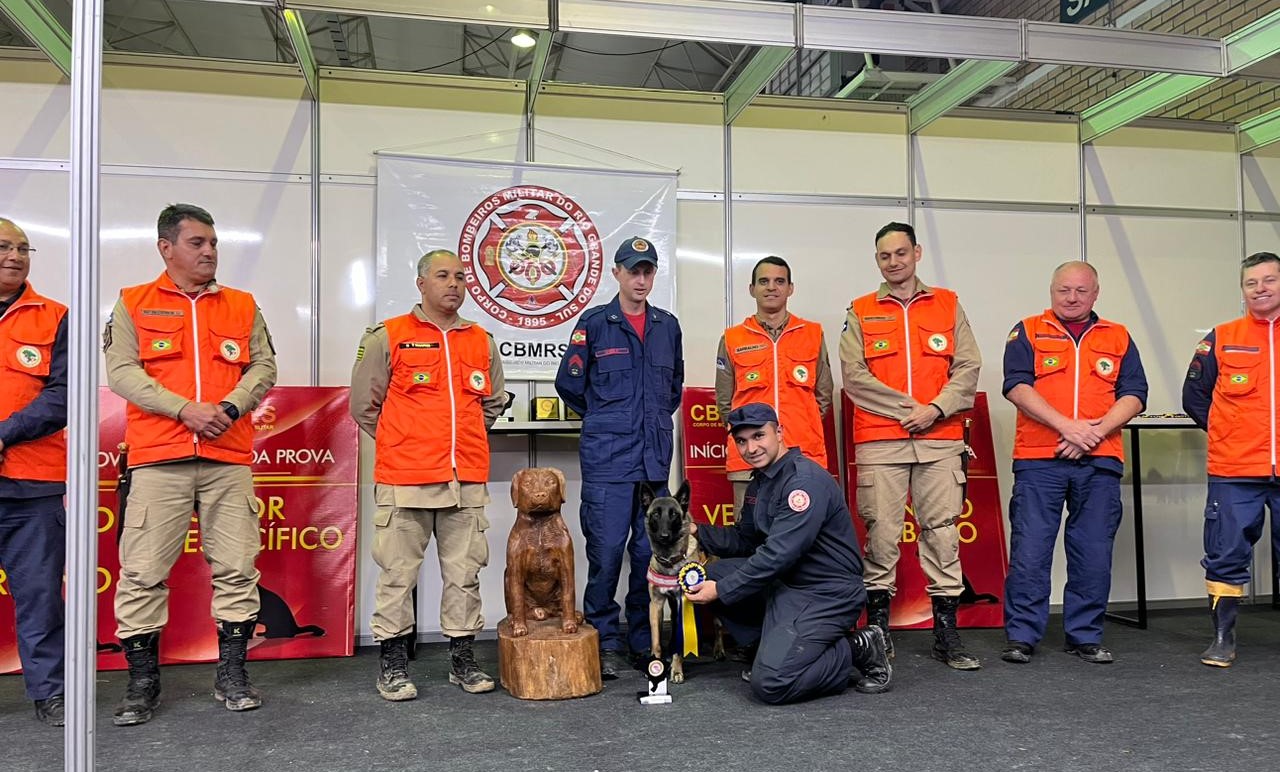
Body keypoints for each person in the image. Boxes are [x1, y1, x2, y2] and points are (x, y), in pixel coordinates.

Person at [104, 203, 277, 725]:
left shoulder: (243, 304)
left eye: (213, 243)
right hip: (159, 458)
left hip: (227, 457)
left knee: (237, 569)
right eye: (197, 243)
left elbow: (264, 366)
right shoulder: (133, 302)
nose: (208, 252)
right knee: (141, 573)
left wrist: (227, 408)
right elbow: (121, 373)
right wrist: (185, 409)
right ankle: (141, 683)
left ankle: (232, 675)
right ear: (166, 247)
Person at [351, 249, 506, 699]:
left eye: (460, 277)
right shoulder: (389, 336)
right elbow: (364, 404)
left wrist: (462, 442)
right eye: (443, 276)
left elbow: (490, 404)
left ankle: (462, 659)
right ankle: (393, 665)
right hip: (405, 479)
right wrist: (407, 443)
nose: (454, 284)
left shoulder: (481, 339)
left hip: (466, 479)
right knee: (398, 576)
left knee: (465, 575)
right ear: (421, 283)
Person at [838, 221, 981, 670]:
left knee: (942, 532)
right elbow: (854, 377)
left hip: (939, 439)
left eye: (901, 252)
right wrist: (911, 408)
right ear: (876, 260)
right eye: (885, 255)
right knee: (881, 533)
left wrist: (935, 410)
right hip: (882, 440)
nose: (894, 261)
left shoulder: (948, 304)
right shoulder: (860, 310)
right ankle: (879, 633)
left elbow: (969, 366)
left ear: (917, 253)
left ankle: (946, 635)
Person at [686, 403, 891, 704]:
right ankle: (774, 650)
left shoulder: (802, 483)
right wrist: (696, 531)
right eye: (741, 441)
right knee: (712, 573)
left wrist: (722, 590)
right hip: (789, 584)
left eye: (759, 436)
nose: (751, 447)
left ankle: (856, 646)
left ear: (779, 432)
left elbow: (777, 555)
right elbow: (746, 541)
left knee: (771, 684)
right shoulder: (762, 480)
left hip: (825, 593)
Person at [1002, 260, 1146, 665]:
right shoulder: (1027, 330)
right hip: (1038, 461)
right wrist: (1068, 427)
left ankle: (1084, 635)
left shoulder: (1118, 336)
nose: (1071, 297)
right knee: (1030, 549)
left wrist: (1092, 434)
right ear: (1051, 290)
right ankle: (1022, 637)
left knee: (1093, 550)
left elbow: (1134, 393)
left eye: (1081, 291)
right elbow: (1015, 385)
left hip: (1099, 460)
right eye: (1063, 289)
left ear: (1095, 293)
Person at [555, 236, 684, 679]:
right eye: (633, 271)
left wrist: (646, 421)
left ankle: (641, 642)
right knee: (606, 553)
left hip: (653, 462)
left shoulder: (667, 326)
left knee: (650, 554)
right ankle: (605, 641)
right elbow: (570, 385)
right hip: (608, 461)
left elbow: (672, 390)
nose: (641, 279)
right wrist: (609, 419)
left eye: (648, 271)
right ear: (617, 273)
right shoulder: (594, 324)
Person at [1183, 251, 1280, 668]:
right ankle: (1223, 638)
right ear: (1242, 290)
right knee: (1225, 553)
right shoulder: (1221, 337)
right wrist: (1227, 432)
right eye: (1251, 282)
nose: (1259, 288)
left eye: (1269, 280)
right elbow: (1194, 396)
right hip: (1234, 469)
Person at [0, 219, 68, 726]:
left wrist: (4, 434)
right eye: (4, 246)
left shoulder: (54, 317)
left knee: (41, 596)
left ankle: (51, 694)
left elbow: (62, 395)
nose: (16, 256)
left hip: (32, 487)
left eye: (24, 248)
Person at [715, 255, 833, 517]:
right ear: (752, 289)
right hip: (749, 461)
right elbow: (724, 402)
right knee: (748, 539)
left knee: (806, 537)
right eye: (764, 281)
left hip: (802, 456)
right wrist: (750, 440)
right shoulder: (733, 338)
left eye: (779, 281)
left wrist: (803, 424)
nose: (772, 287)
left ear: (790, 288)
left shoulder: (812, 333)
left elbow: (823, 396)